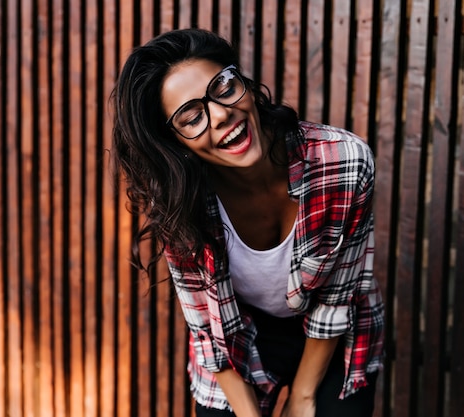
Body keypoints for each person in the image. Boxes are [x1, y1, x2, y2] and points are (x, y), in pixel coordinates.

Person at [111, 28, 384, 417]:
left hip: (336, 331)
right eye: (191, 116)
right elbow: (205, 326)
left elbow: (339, 295)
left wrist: (303, 397)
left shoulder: (344, 162)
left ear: (245, 84)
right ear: (176, 141)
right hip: (238, 334)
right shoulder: (179, 202)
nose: (221, 114)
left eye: (223, 87)